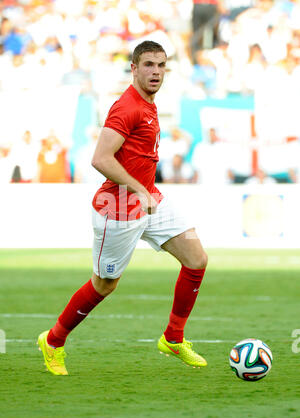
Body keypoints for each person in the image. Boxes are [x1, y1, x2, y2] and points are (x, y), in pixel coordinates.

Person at [37, 40, 208, 376]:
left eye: (161, 66)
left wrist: (144, 193)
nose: (155, 72)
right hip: (117, 209)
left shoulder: (149, 104)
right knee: (104, 285)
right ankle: (53, 341)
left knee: (196, 259)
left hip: (148, 198)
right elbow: (100, 159)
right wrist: (136, 190)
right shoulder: (127, 107)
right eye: (148, 65)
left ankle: (173, 338)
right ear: (133, 68)